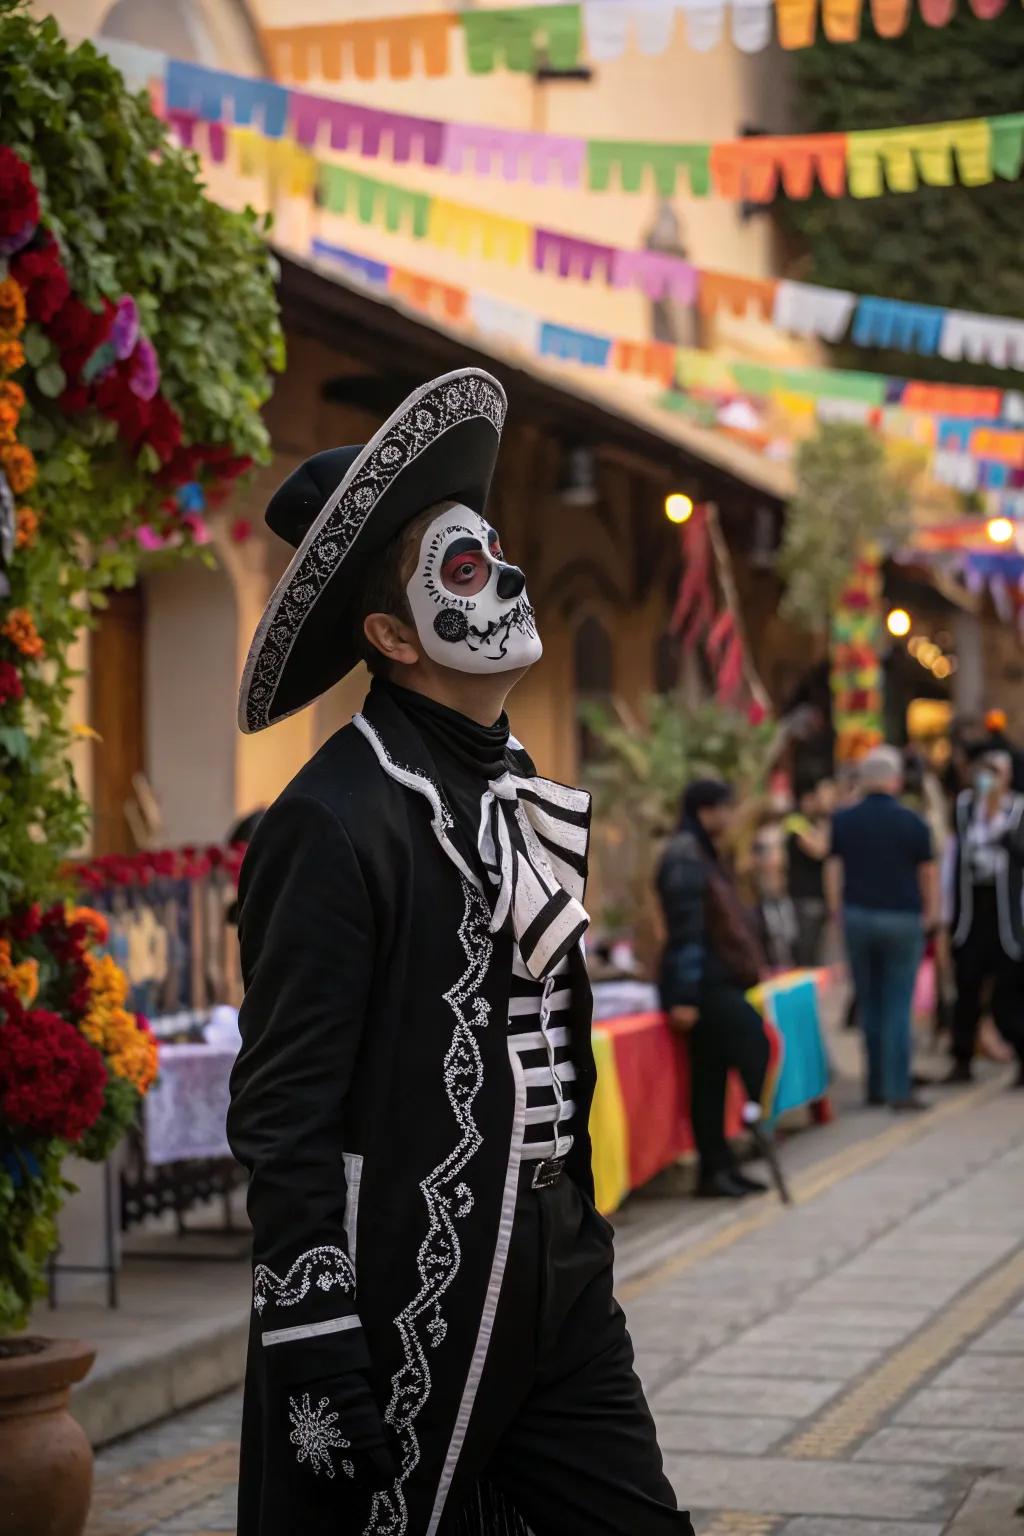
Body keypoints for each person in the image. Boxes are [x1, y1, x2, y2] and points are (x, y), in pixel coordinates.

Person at [227, 369, 692, 1536]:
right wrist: (316, 1334)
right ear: (391, 633)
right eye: (465, 569)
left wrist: (575, 1237)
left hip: (556, 1271)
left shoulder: (524, 787)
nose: (512, 578)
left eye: (499, 553)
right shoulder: (332, 819)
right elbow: (283, 1109)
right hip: (408, 1294)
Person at [655, 780, 770, 1200]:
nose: (732, 817)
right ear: (707, 811)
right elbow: (687, 931)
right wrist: (684, 996)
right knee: (750, 1044)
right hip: (702, 984)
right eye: (726, 808)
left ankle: (717, 1167)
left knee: (712, 1077)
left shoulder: (701, 852)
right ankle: (725, 1154)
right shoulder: (686, 856)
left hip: (711, 979)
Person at [827, 746, 938, 1111]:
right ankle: (897, 1087)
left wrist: (837, 912)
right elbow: (928, 873)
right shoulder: (913, 822)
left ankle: (874, 1085)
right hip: (902, 918)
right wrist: (932, 914)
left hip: (858, 916)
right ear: (895, 780)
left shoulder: (843, 821)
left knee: (869, 1002)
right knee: (897, 1002)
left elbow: (833, 870)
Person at [942, 748, 1024, 1086]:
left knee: (1010, 995)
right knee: (967, 989)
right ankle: (962, 1058)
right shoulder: (963, 809)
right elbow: (951, 861)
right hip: (972, 914)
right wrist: (945, 916)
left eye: (995, 772)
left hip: (1007, 916)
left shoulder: (1018, 810)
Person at [782, 779, 833, 968]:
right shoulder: (795, 822)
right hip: (804, 897)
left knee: (816, 955)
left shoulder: (817, 823)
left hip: (817, 897)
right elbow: (821, 850)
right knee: (805, 953)